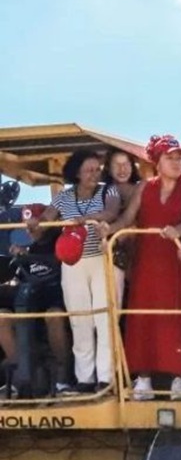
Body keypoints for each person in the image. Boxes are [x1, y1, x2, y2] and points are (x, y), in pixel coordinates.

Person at [105, 135, 181, 401]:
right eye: (170, 157)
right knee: (143, 318)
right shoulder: (144, 188)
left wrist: (178, 231)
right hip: (147, 261)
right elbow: (127, 219)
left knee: (178, 317)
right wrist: (109, 230)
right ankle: (144, 378)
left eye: (179, 157)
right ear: (157, 162)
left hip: (176, 261)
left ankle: (177, 379)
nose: (177, 161)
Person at [27, 148, 122, 394]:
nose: (94, 174)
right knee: (80, 320)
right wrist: (35, 227)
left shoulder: (107, 191)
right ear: (76, 173)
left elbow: (112, 212)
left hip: (101, 259)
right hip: (73, 264)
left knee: (104, 319)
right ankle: (84, 378)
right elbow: (47, 221)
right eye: (89, 170)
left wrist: (88, 218)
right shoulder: (63, 197)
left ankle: (105, 377)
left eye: (97, 169)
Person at [0, 222, 71, 394]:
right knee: (2, 317)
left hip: (54, 297)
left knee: (54, 316)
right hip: (28, 299)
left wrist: (30, 257)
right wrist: (20, 257)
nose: (32, 230)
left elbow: (58, 261)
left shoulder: (60, 245)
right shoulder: (24, 248)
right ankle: (19, 375)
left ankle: (63, 376)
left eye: (36, 225)